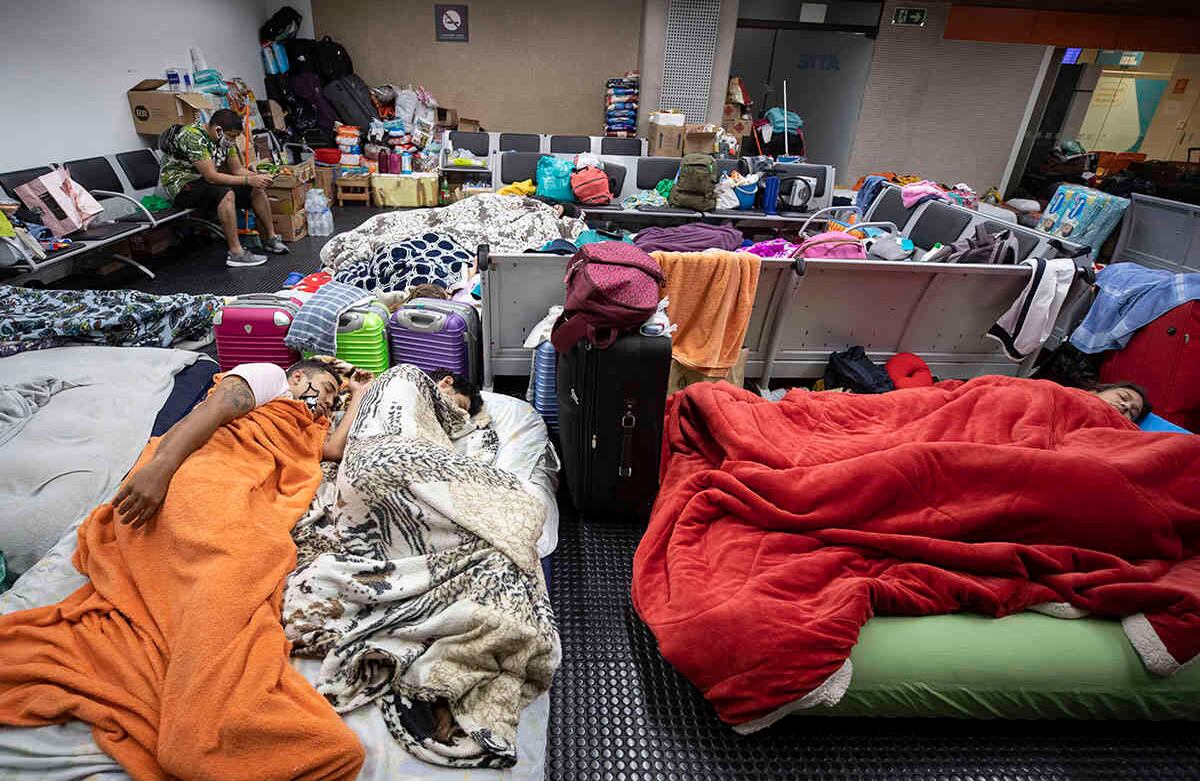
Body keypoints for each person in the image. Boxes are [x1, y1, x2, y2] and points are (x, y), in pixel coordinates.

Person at [113, 359, 372, 528]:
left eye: (332, 401)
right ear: (297, 378)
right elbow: (212, 411)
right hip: (211, 461)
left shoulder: (311, 424)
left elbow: (333, 450)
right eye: (326, 389)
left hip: (249, 484)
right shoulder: (273, 379)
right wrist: (161, 468)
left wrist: (359, 393)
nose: (327, 402)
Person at [158, 108, 291, 268]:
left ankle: (270, 238)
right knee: (225, 193)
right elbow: (211, 176)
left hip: (204, 181)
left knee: (256, 189)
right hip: (181, 185)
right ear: (218, 130)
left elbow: (237, 170)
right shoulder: (193, 136)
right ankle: (236, 253)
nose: (233, 141)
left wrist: (257, 178)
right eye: (232, 136)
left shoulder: (226, 140)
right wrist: (249, 179)